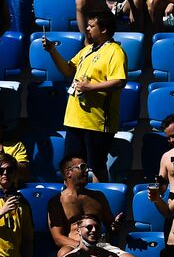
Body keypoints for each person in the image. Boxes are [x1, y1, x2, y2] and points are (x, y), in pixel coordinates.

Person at [43, 11, 128, 179]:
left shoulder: (115, 52)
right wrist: (52, 51)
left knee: (96, 166)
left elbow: (119, 81)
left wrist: (90, 87)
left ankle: (98, 202)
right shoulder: (87, 50)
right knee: (72, 166)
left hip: (96, 122)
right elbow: (68, 70)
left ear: (104, 29)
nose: (87, 29)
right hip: (74, 119)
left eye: (92, 26)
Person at [47, 154, 118, 246]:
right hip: (73, 247)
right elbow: (58, 238)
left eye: (87, 167)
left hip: (99, 245)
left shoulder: (98, 197)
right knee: (63, 254)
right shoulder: (57, 201)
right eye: (83, 167)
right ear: (68, 173)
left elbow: (112, 228)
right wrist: (84, 247)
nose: (87, 170)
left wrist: (116, 225)